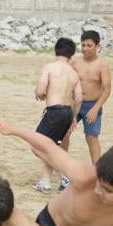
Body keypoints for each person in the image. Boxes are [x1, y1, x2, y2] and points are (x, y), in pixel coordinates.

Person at [32, 37, 82, 194]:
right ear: (71, 54)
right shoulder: (74, 73)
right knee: (51, 147)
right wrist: (74, 118)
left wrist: (39, 92)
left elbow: (40, 90)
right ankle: (45, 181)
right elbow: (79, 98)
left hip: (54, 112)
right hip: (68, 112)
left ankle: (65, 174)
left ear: (56, 50)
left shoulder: (50, 67)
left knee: (36, 147)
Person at [61, 30, 112, 167]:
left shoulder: (102, 65)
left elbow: (107, 90)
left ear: (97, 46)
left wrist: (96, 109)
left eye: (89, 45)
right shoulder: (74, 61)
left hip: (92, 105)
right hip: (74, 104)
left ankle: (97, 170)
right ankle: (63, 165)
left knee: (91, 137)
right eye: (83, 45)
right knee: (64, 133)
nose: (85, 48)